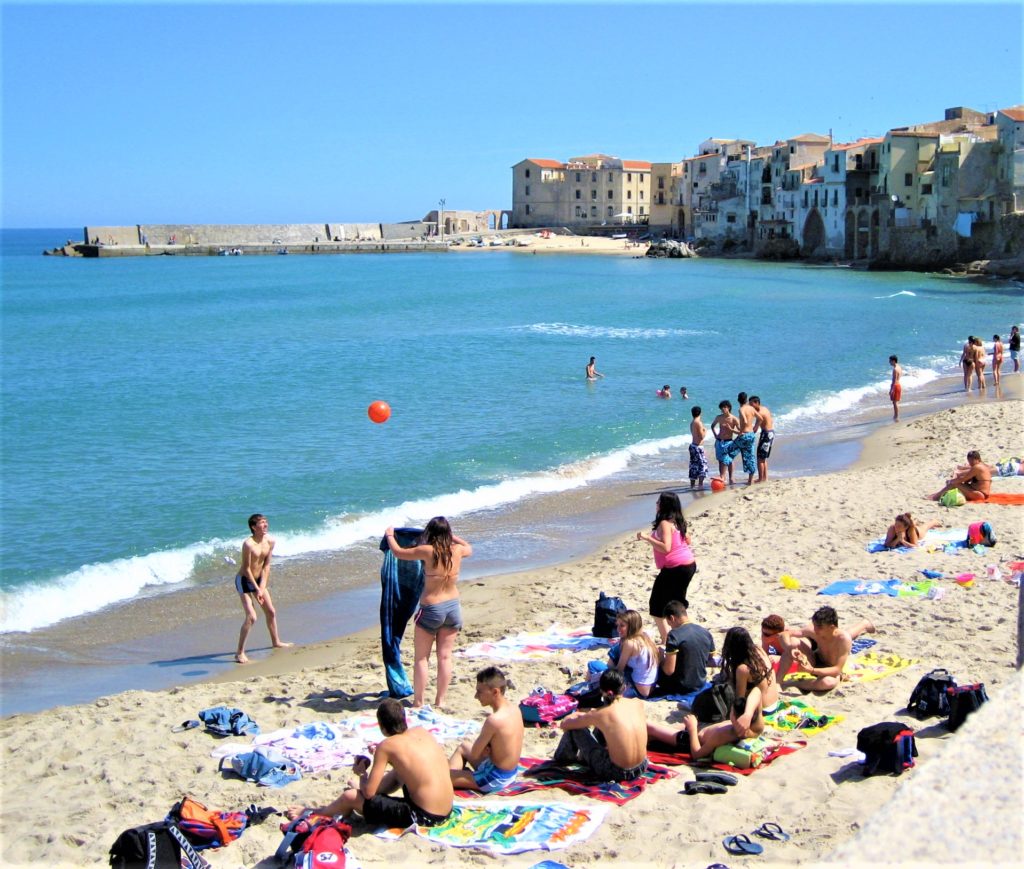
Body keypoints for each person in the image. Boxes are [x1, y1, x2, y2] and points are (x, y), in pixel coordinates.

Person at [286, 698, 453, 829]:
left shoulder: (386, 746)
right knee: (396, 774)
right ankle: (358, 787)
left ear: (381, 727)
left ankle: (315, 812)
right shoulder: (421, 731)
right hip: (446, 809)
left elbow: (369, 794)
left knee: (350, 796)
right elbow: (410, 763)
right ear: (404, 719)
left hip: (425, 816)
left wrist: (362, 773)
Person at [385, 517, 472, 707]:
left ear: (430, 533)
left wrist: (390, 535)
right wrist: (453, 537)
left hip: (432, 609)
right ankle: (440, 701)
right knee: (445, 656)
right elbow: (469, 547)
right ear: (447, 534)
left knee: (421, 658)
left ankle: (418, 701)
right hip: (453, 607)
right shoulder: (456, 551)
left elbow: (399, 553)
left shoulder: (428, 551)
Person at [648, 625, 778, 753]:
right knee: (662, 731)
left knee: (654, 729)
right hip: (767, 706)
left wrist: (693, 730)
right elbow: (756, 693)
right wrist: (747, 714)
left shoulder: (723, 734)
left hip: (690, 739)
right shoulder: (752, 727)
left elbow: (697, 754)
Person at [552, 669, 649, 782]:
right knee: (604, 726)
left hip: (617, 772)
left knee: (575, 729)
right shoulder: (637, 703)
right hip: (642, 766)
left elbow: (564, 725)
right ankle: (583, 758)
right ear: (624, 687)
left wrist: (578, 715)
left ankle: (562, 760)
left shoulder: (601, 714)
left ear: (602, 690)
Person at [449, 667, 524, 793]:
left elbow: (474, 754)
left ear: (495, 692)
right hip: (510, 772)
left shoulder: (494, 720)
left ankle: (450, 780)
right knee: (463, 747)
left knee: (442, 777)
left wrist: (485, 751)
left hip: (495, 779)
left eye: (480, 692)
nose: (476, 696)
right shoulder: (515, 709)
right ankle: (457, 776)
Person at [636, 493, 697, 643]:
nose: (656, 504)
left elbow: (666, 548)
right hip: (687, 565)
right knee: (677, 602)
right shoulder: (677, 521)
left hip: (676, 568)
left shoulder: (665, 523)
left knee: (656, 604)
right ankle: (685, 634)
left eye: (658, 502)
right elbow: (687, 540)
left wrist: (646, 537)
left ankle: (666, 639)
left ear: (664, 505)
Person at [774, 607, 875, 693]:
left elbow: (837, 669)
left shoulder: (843, 639)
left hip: (830, 670)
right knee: (793, 643)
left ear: (831, 627)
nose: (815, 629)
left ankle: (864, 624)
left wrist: (812, 670)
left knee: (828, 683)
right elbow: (785, 634)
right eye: (814, 625)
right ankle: (778, 682)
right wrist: (789, 648)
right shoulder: (814, 630)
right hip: (816, 659)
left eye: (819, 627)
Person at [234, 513, 292, 664]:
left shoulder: (270, 541)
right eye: (262, 523)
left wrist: (262, 587)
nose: (265, 525)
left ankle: (276, 641)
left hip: (259, 580)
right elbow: (246, 569)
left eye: (266, 522)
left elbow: (266, 566)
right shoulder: (248, 544)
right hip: (245, 581)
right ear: (254, 527)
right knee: (252, 616)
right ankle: (239, 653)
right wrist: (256, 588)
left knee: (271, 611)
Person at [651, 600, 715, 696]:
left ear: (672, 618)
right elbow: (711, 655)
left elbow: (669, 670)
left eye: (669, 623)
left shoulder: (674, 635)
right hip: (700, 682)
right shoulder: (705, 632)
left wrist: (661, 658)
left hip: (681, 686)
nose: (670, 627)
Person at [610, 610, 660, 697]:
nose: (618, 629)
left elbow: (619, 670)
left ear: (632, 626)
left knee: (594, 665)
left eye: (622, 626)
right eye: (617, 625)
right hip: (651, 687)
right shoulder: (645, 636)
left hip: (638, 691)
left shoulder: (630, 643)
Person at [928, 450, 992, 502]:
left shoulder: (977, 467)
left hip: (979, 495)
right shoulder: (983, 466)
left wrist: (951, 481)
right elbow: (967, 480)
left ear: (977, 459)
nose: (970, 463)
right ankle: (938, 495)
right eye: (969, 461)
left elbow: (963, 479)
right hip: (981, 493)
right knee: (954, 484)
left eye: (972, 461)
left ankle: (935, 497)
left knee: (953, 484)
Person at [723, 392, 759, 485]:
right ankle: (750, 481)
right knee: (750, 456)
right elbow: (760, 418)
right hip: (751, 435)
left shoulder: (741, 409)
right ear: (746, 400)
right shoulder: (751, 408)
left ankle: (724, 477)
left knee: (727, 451)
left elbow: (745, 420)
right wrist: (755, 428)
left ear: (738, 400)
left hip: (744, 435)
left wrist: (740, 432)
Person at [711, 400, 739, 485]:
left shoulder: (733, 418)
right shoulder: (719, 417)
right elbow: (712, 426)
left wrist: (731, 429)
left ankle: (731, 477)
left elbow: (740, 431)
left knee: (729, 460)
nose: (722, 409)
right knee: (720, 460)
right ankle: (722, 477)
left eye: (724, 407)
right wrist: (715, 435)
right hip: (719, 441)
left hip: (728, 442)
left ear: (728, 407)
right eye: (721, 408)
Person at [749, 396, 774, 482]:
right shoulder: (765, 409)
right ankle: (765, 478)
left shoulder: (760, 412)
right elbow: (771, 420)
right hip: (771, 433)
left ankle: (760, 479)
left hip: (766, 434)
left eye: (751, 404)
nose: (750, 406)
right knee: (763, 458)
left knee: (760, 458)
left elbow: (755, 429)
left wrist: (747, 432)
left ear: (756, 403)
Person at [688, 405, 709, 489]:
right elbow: (701, 436)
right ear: (700, 413)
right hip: (698, 447)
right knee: (702, 466)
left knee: (693, 466)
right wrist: (705, 431)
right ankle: (700, 485)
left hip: (693, 446)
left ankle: (692, 485)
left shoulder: (692, 422)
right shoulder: (698, 423)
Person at [888, 355, 902, 421]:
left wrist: (891, 389)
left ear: (893, 361)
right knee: (895, 402)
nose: (889, 362)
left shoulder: (895, 369)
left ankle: (896, 416)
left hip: (895, 386)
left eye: (890, 361)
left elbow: (894, 380)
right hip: (898, 385)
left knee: (895, 402)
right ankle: (895, 415)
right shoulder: (899, 367)